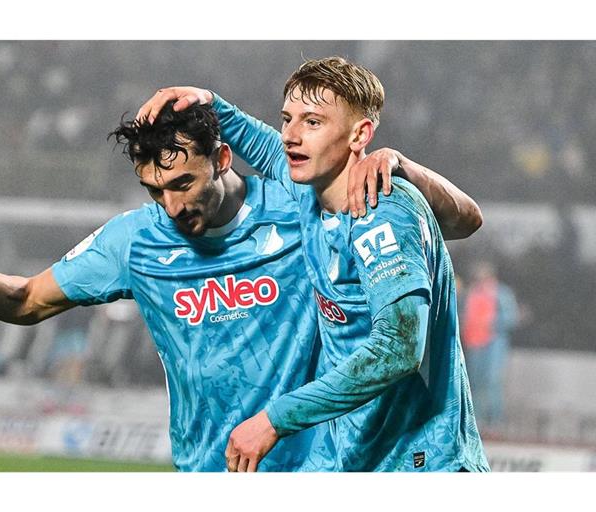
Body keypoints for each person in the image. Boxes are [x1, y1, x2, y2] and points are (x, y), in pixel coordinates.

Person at [0, 99, 478, 472]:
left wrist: (401, 167)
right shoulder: (134, 241)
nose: (172, 206)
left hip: (312, 467)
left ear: (221, 157)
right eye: (155, 190)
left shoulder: (298, 205)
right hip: (206, 469)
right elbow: (25, 300)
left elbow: (459, 221)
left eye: (184, 182)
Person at [140, 57, 488, 472]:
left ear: (360, 134)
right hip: (357, 458)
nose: (291, 136)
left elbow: (398, 348)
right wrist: (208, 103)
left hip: (422, 461)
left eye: (313, 122)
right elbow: (266, 146)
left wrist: (275, 419)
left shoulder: (380, 210)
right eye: (288, 119)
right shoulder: (313, 193)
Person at [461, 260, 519, 433]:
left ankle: (495, 420)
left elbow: (511, 317)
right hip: (474, 342)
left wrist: (492, 322)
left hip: (494, 342)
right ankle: (476, 420)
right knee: (475, 382)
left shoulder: (501, 293)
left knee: (492, 380)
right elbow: (463, 315)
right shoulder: (471, 293)